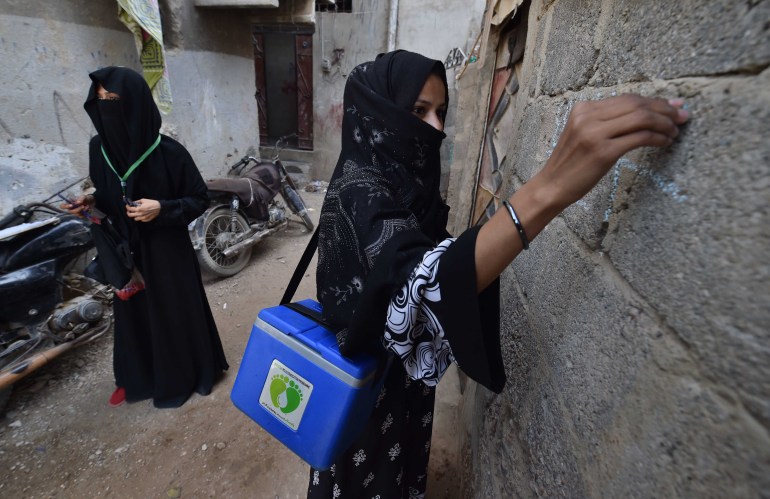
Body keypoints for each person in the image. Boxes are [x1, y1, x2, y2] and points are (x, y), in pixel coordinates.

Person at [307, 50, 689, 498]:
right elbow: (421, 280)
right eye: (418, 111)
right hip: (359, 387)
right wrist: (547, 190)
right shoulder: (361, 187)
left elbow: (439, 256)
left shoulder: (406, 183)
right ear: (379, 112)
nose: (436, 128)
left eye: (441, 111)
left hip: (400, 382)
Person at [63, 66, 228, 409]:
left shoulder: (169, 152)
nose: (106, 106)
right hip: (126, 251)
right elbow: (107, 191)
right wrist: (90, 202)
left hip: (167, 251)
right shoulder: (99, 149)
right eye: (100, 99)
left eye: (114, 99)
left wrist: (162, 208)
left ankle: (186, 375)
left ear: (136, 103)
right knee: (134, 314)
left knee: (172, 312)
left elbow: (199, 198)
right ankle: (139, 376)